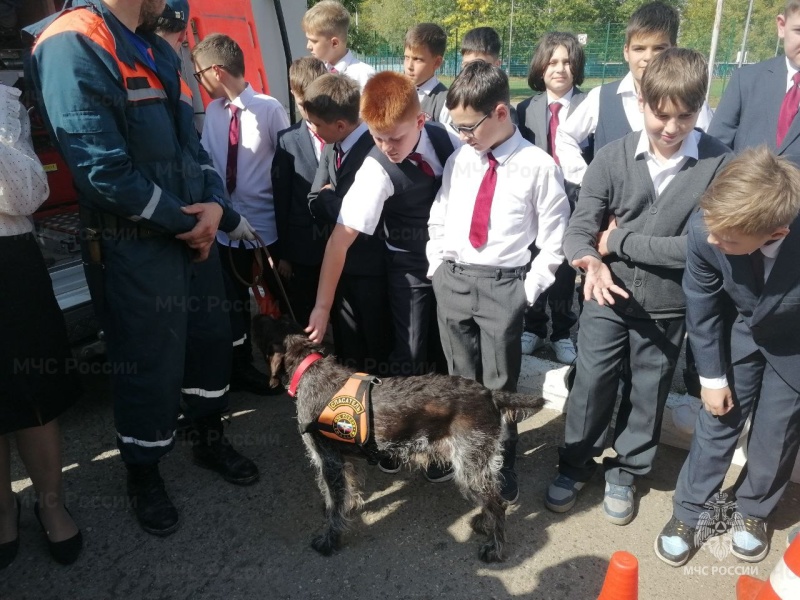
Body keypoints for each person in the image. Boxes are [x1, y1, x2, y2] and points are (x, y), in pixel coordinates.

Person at [26, 0, 260, 538]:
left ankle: (208, 439)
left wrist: (216, 208)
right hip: (134, 247)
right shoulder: (74, 42)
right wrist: (187, 223)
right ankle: (143, 471)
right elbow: (99, 170)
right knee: (146, 362)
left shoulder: (155, 43)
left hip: (190, 233)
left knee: (208, 343)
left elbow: (192, 147)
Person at [544, 49, 732, 526]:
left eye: (685, 117)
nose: (671, 128)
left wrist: (619, 240)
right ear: (643, 102)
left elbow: (699, 250)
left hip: (669, 306)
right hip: (605, 297)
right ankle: (574, 463)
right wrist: (592, 260)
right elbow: (579, 230)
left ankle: (627, 471)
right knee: (591, 383)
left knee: (649, 392)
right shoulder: (610, 157)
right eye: (660, 114)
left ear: (700, 108)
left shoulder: (717, 164)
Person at [427, 60, 571, 503]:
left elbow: (555, 240)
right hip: (453, 281)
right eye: (457, 126)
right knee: (460, 379)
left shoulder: (537, 166)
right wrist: (436, 267)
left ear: (501, 113)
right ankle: (464, 451)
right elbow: (440, 215)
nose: (463, 135)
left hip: (503, 286)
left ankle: (501, 460)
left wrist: (524, 293)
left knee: (499, 384)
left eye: (469, 126)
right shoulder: (460, 159)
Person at [306, 72, 459, 479]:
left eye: (395, 137)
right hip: (406, 267)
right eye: (377, 137)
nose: (386, 147)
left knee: (446, 352)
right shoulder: (375, 171)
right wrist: (323, 306)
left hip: (451, 261)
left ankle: (440, 439)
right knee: (406, 354)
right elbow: (340, 239)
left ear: (421, 122)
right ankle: (396, 437)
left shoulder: (447, 140)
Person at [654, 147, 800, 566]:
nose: (712, 241)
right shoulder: (708, 230)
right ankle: (689, 512)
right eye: (711, 228)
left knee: (777, 433)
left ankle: (753, 510)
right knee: (718, 423)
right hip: (741, 335)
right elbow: (700, 301)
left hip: (794, 345)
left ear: (776, 234)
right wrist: (712, 379)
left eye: (728, 239)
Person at [0, 83, 82, 568]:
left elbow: (27, 194)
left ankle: (50, 505)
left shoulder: (4, 104)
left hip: (10, 264)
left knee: (33, 394)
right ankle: (3, 508)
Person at [192, 33, 290, 395]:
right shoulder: (215, 113)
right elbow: (209, 162)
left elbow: (287, 167)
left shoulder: (268, 109)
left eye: (199, 73)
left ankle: (284, 362)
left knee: (273, 300)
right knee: (232, 302)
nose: (197, 81)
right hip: (226, 228)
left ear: (217, 71)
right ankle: (241, 365)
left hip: (266, 227)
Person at [556, 1, 714, 187]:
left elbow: (710, 151)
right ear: (626, 52)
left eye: (659, 48)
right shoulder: (601, 97)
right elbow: (565, 137)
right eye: (639, 48)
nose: (648, 57)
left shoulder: (692, 103)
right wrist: (589, 182)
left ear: (674, 49)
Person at [304, 73, 389, 372]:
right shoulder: (331, 144)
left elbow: (368, 220)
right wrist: (331, 202)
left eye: (316, 124)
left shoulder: (376, 150)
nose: (312, 130)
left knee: (374, 349)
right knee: (347, 350)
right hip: (337, 269)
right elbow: (313, 197)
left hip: (370, 272)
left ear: (340, 125)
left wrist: (330, 202)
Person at [516, 32, 588, 365]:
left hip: (575, 202)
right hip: (534, 203)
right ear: (540, 67)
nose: (559, 68)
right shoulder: (525, 109)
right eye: (552, 61)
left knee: (563, 270)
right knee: (534, 262)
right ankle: (533, 327)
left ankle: (561, 332)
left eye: (567, 61)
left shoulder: (591, 106)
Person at [273, 56, 329, 328]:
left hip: (337, 245)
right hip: (302, 249)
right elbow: (281, 199)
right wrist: (285, 253)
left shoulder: (341, 133)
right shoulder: (286, 140)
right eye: (300, 102)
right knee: (304, 312)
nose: (307, 109)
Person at [709, 0, 800, 167]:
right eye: (799, 31)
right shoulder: (745, 80)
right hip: (741, 191)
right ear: (781, 26)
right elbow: (715, 148)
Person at [302, 0, 374, 90]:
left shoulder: (364, 76)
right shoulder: (313, 74)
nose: (308, 46)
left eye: (314, 41)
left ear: (334, 43)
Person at [403, 23, 450, 124]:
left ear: (437, 62)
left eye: (417, 59)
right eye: (406, 57)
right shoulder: (396, 91)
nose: (409, 66)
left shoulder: (445, 103)